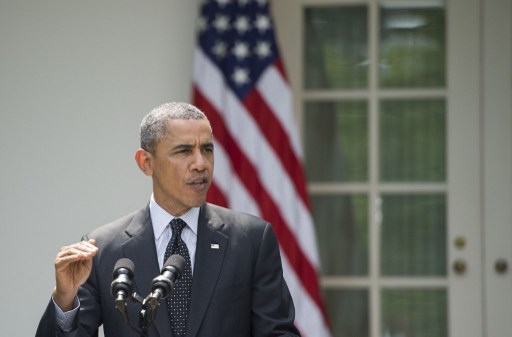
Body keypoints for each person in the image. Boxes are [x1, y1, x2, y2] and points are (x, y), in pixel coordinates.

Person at [35, 102, 300, 337]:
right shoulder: (104, 249)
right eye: (184, 151)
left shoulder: (251, 240)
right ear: (146, 163)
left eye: (207, 150)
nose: (201, 163)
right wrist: (65, 300)